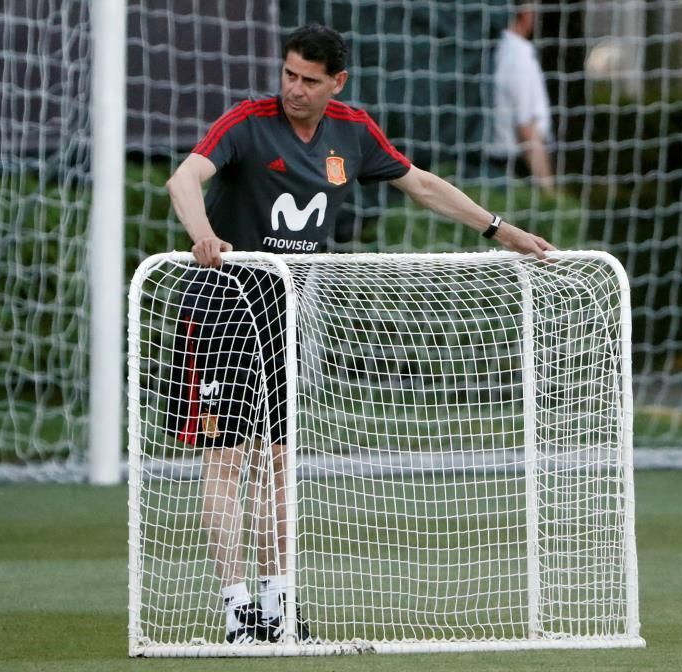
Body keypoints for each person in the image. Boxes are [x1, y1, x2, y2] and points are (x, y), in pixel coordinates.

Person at [165, 23, 555, 645]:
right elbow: (184, 179)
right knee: (226, 461)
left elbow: (421, 183)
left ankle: (279, 606)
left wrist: (501, 230)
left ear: (335, 83)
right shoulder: (246, 121)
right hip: (217, 307)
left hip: (280, 311)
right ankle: (238, 611)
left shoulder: (352, 128)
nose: (294, 89)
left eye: (309, 80)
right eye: (288, 74)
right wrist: (200, 235)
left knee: (277, 461)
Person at [489, 1, 555, 195]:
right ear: (526, 12)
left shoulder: (493, 48)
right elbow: (527, 128)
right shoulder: (519, 55)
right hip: (517, 170)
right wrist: (549, 192)